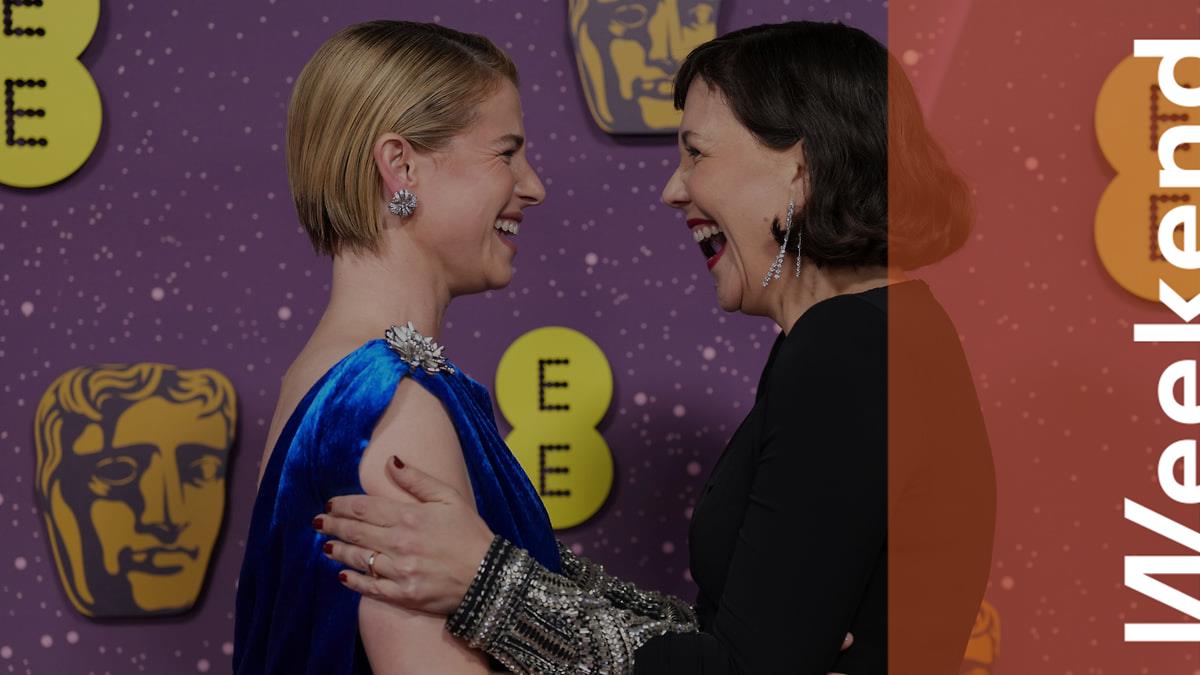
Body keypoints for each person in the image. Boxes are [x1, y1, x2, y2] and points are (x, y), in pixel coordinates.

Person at [316, 20, 996, 675]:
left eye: (696, 153)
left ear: (800, 167)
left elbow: (737, 670)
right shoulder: (875, 333)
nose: (673, 189)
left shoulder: (846, 348)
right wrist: (510, 563)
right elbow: (737, 641)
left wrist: (489, 584)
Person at [232, 21, 558, 674]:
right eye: (506, 154)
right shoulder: (391, 409)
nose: (533, 186)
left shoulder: (342, 378)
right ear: (400, 166)